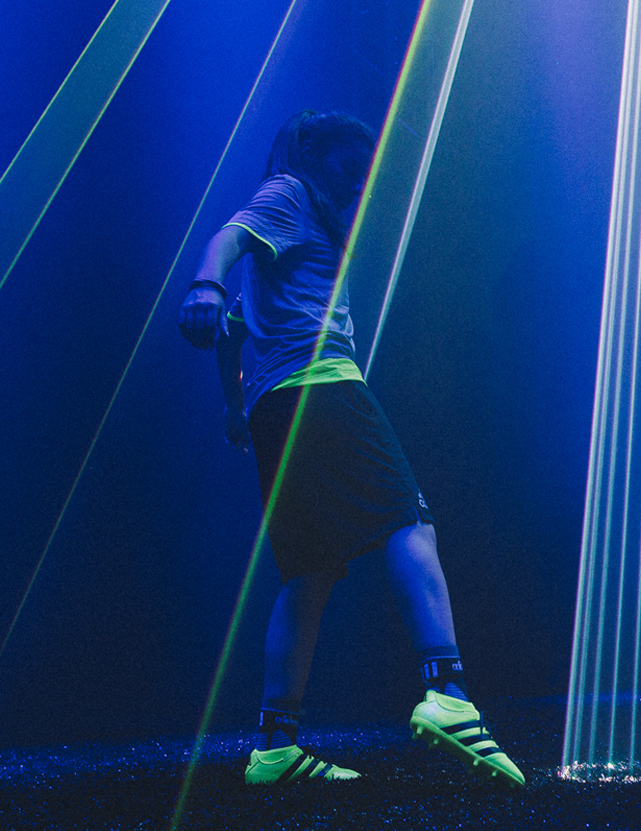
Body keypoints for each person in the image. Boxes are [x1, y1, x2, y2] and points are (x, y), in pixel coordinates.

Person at [179, 110, 523, 789]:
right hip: (323, 388)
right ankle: (449, 694)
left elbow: (235, 329)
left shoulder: (297, 224)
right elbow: (226, 238)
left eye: (366, 175)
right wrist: (204, 283)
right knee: (409, 521)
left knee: (307, 572)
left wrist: (233, 406)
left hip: (278, 410)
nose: (358, 185)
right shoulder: (289, 194)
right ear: (312, 154)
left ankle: (274, 747)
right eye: (348, 169)